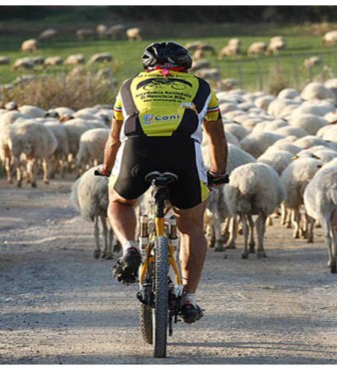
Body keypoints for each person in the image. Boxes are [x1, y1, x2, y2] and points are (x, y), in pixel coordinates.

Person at [98, 41, 228, 324]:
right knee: (191, 226)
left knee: (119, 202)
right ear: (187, 65)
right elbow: (216, 136)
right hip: (183, 154)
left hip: (138, 152)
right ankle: (189, 299)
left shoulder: (128, 87)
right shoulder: (201, 87)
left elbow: (113, 138)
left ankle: (130, 247)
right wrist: (218, 173)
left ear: (147, 67)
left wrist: (107, 167)